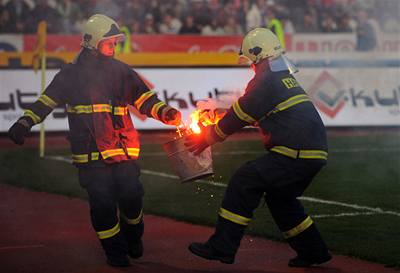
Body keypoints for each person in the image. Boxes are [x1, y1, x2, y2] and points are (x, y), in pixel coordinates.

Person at [8, 14, 181, 267]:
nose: (114, 46)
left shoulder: (122, 71)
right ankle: (115, 252)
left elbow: (145, 100)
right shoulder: (70, 75)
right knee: (102, 205)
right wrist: (25, 122)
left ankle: (133, 236)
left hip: (122, 152)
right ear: (92, 43)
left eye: (115, 42)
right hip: (91, 157)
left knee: (132, 199)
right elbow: (47, 101)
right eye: (109, 42)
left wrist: (166, 113)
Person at [185, 28, 331, 268]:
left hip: (295, 152)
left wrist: (208, 137)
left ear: (258, 55)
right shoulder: (281, 78)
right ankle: (313, 251)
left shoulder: (267, 79)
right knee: (280, 198)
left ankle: (222, 246)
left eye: (250, 61)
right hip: (310, 152)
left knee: (245, 180)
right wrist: (218, 113)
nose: (250, 66)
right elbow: (255, 112)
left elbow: (242, 113)